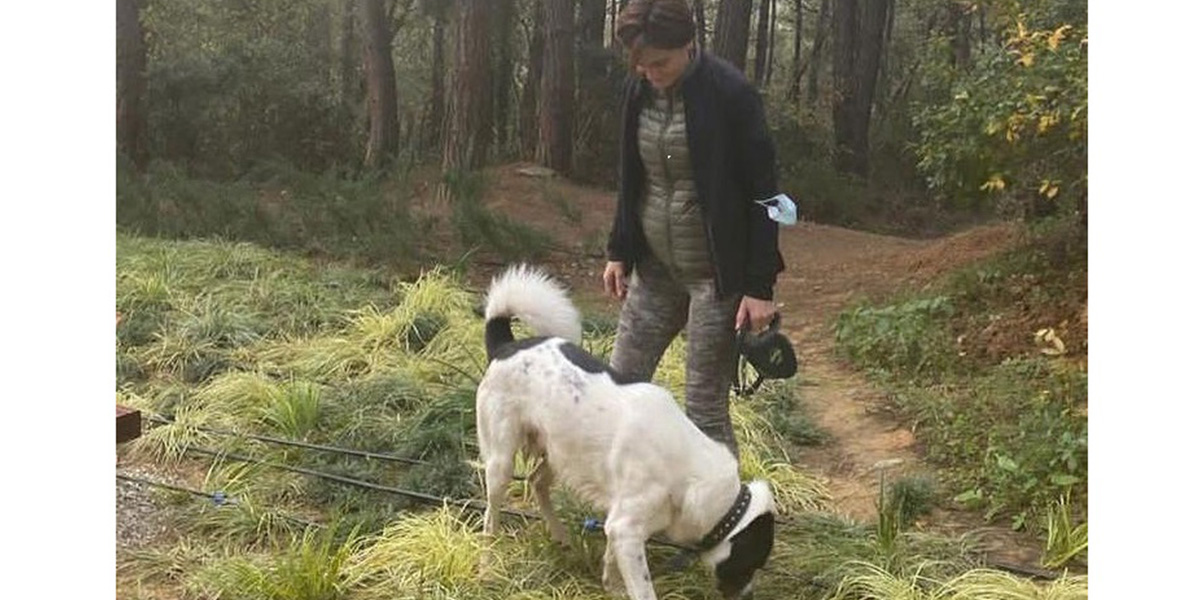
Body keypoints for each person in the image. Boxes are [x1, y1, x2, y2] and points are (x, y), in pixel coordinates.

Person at [603, 0, 786, 458]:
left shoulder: (731, 95)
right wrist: (619, 249)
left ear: (689, 45)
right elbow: (630, 175)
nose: (649, 72)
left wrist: (759, 286)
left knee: (703, 407)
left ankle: (723, 519)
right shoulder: (638, 89)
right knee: (617, 390)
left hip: (716, 278)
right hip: (655, 269)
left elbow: (767, 195)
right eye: (641, 64)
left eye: (659, 62)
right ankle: (626, 504)